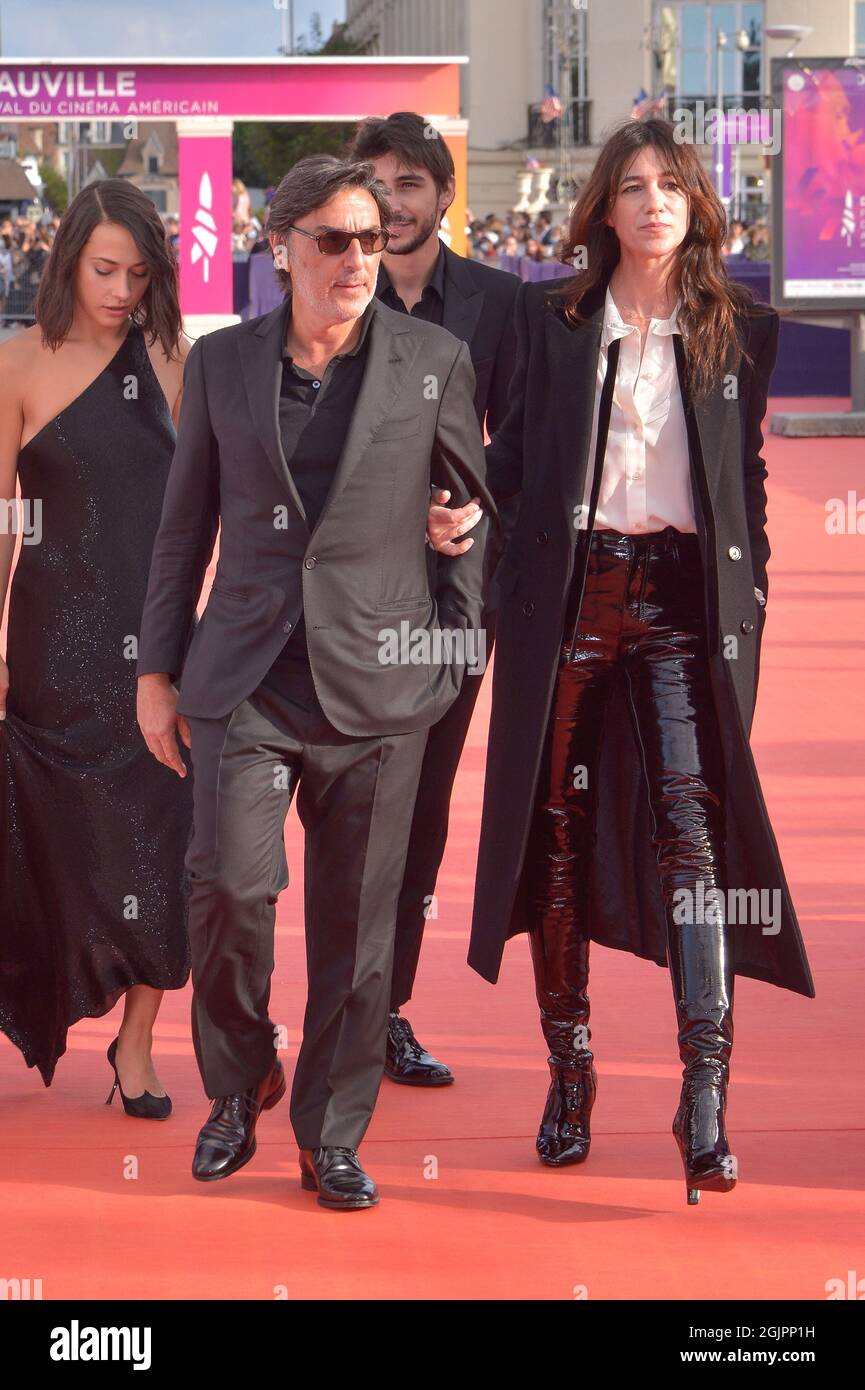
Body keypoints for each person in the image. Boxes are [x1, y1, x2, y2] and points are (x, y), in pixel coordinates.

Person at [445, 117, 815, 1203]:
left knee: (693, 838)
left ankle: (703, 1095)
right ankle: (569, 1074)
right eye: (633, 185)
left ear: (695, 204)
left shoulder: (736, 324)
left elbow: (740, 474)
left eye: (671, 184)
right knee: (552, 832)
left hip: (680, 605)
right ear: (603, 208)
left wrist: (750, 593)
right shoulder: (548, 317)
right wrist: (459, 506)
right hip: (568, 600)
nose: (654, 200)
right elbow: (507, 455)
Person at [135, 155, 495, 1211]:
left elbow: (469, 519)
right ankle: (241, 1078)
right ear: (280, 246)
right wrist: (157, 671)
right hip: (242, 678)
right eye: (331, 239)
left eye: (370, 239)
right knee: (229, 890)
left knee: (357, 929)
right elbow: (180, 529)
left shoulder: (433, 358)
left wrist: (450, 648)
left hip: (383, 690)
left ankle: (332, 1133)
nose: (353, 258)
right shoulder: (221, 365)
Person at [0, 179, 195, 1112]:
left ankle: (137, 1044)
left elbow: (220, 509)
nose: (120, 288)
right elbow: (2, 521)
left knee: (163, 841)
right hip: (49, 649)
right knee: (42, 840)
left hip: (157, 652)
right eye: (102, 268)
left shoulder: (175, 362)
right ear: (67, 261)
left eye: (136, 271)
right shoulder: (18, 366)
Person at [347, 110, 520, 1087]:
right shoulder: (333, 289)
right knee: (348, 807)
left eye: (412, 182)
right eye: (378, 182)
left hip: (456, 599)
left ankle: (388, 1009)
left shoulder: (500, 304)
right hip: (344, 595)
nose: (395, 200)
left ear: (442, 196)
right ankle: (339, 1002)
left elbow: (532, 441)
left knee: (421, 810)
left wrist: (463, 496)